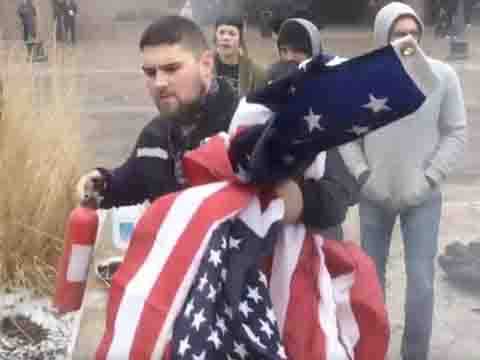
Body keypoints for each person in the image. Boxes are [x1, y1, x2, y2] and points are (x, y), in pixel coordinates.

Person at [340, 3, 467, 359]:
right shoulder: (362, 78)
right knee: (370, 283)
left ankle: (415, 354)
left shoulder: (442, 77)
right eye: (399, 33)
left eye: (414, 32)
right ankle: (371, 349)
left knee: (421, 287)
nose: (408, 39)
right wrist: (364, 176)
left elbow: (456, 133)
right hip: (374, 197)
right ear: (383, 37)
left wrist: (429, 179)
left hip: (422, 198)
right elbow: (347, 135)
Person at [270, 17, 360, 239]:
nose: (290, 58)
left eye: (298, 51)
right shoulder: (266, 93)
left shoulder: (336, 104)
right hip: (273, 242)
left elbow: (343, 193)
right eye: (284, 50)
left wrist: (297, 197)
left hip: (320, 241)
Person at [213, 15, 266, 97]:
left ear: (240, 40)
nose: (226, 38)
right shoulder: (204, 67)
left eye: (232, 34)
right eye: (221, 32)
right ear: (215, 37)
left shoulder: (256, 73)